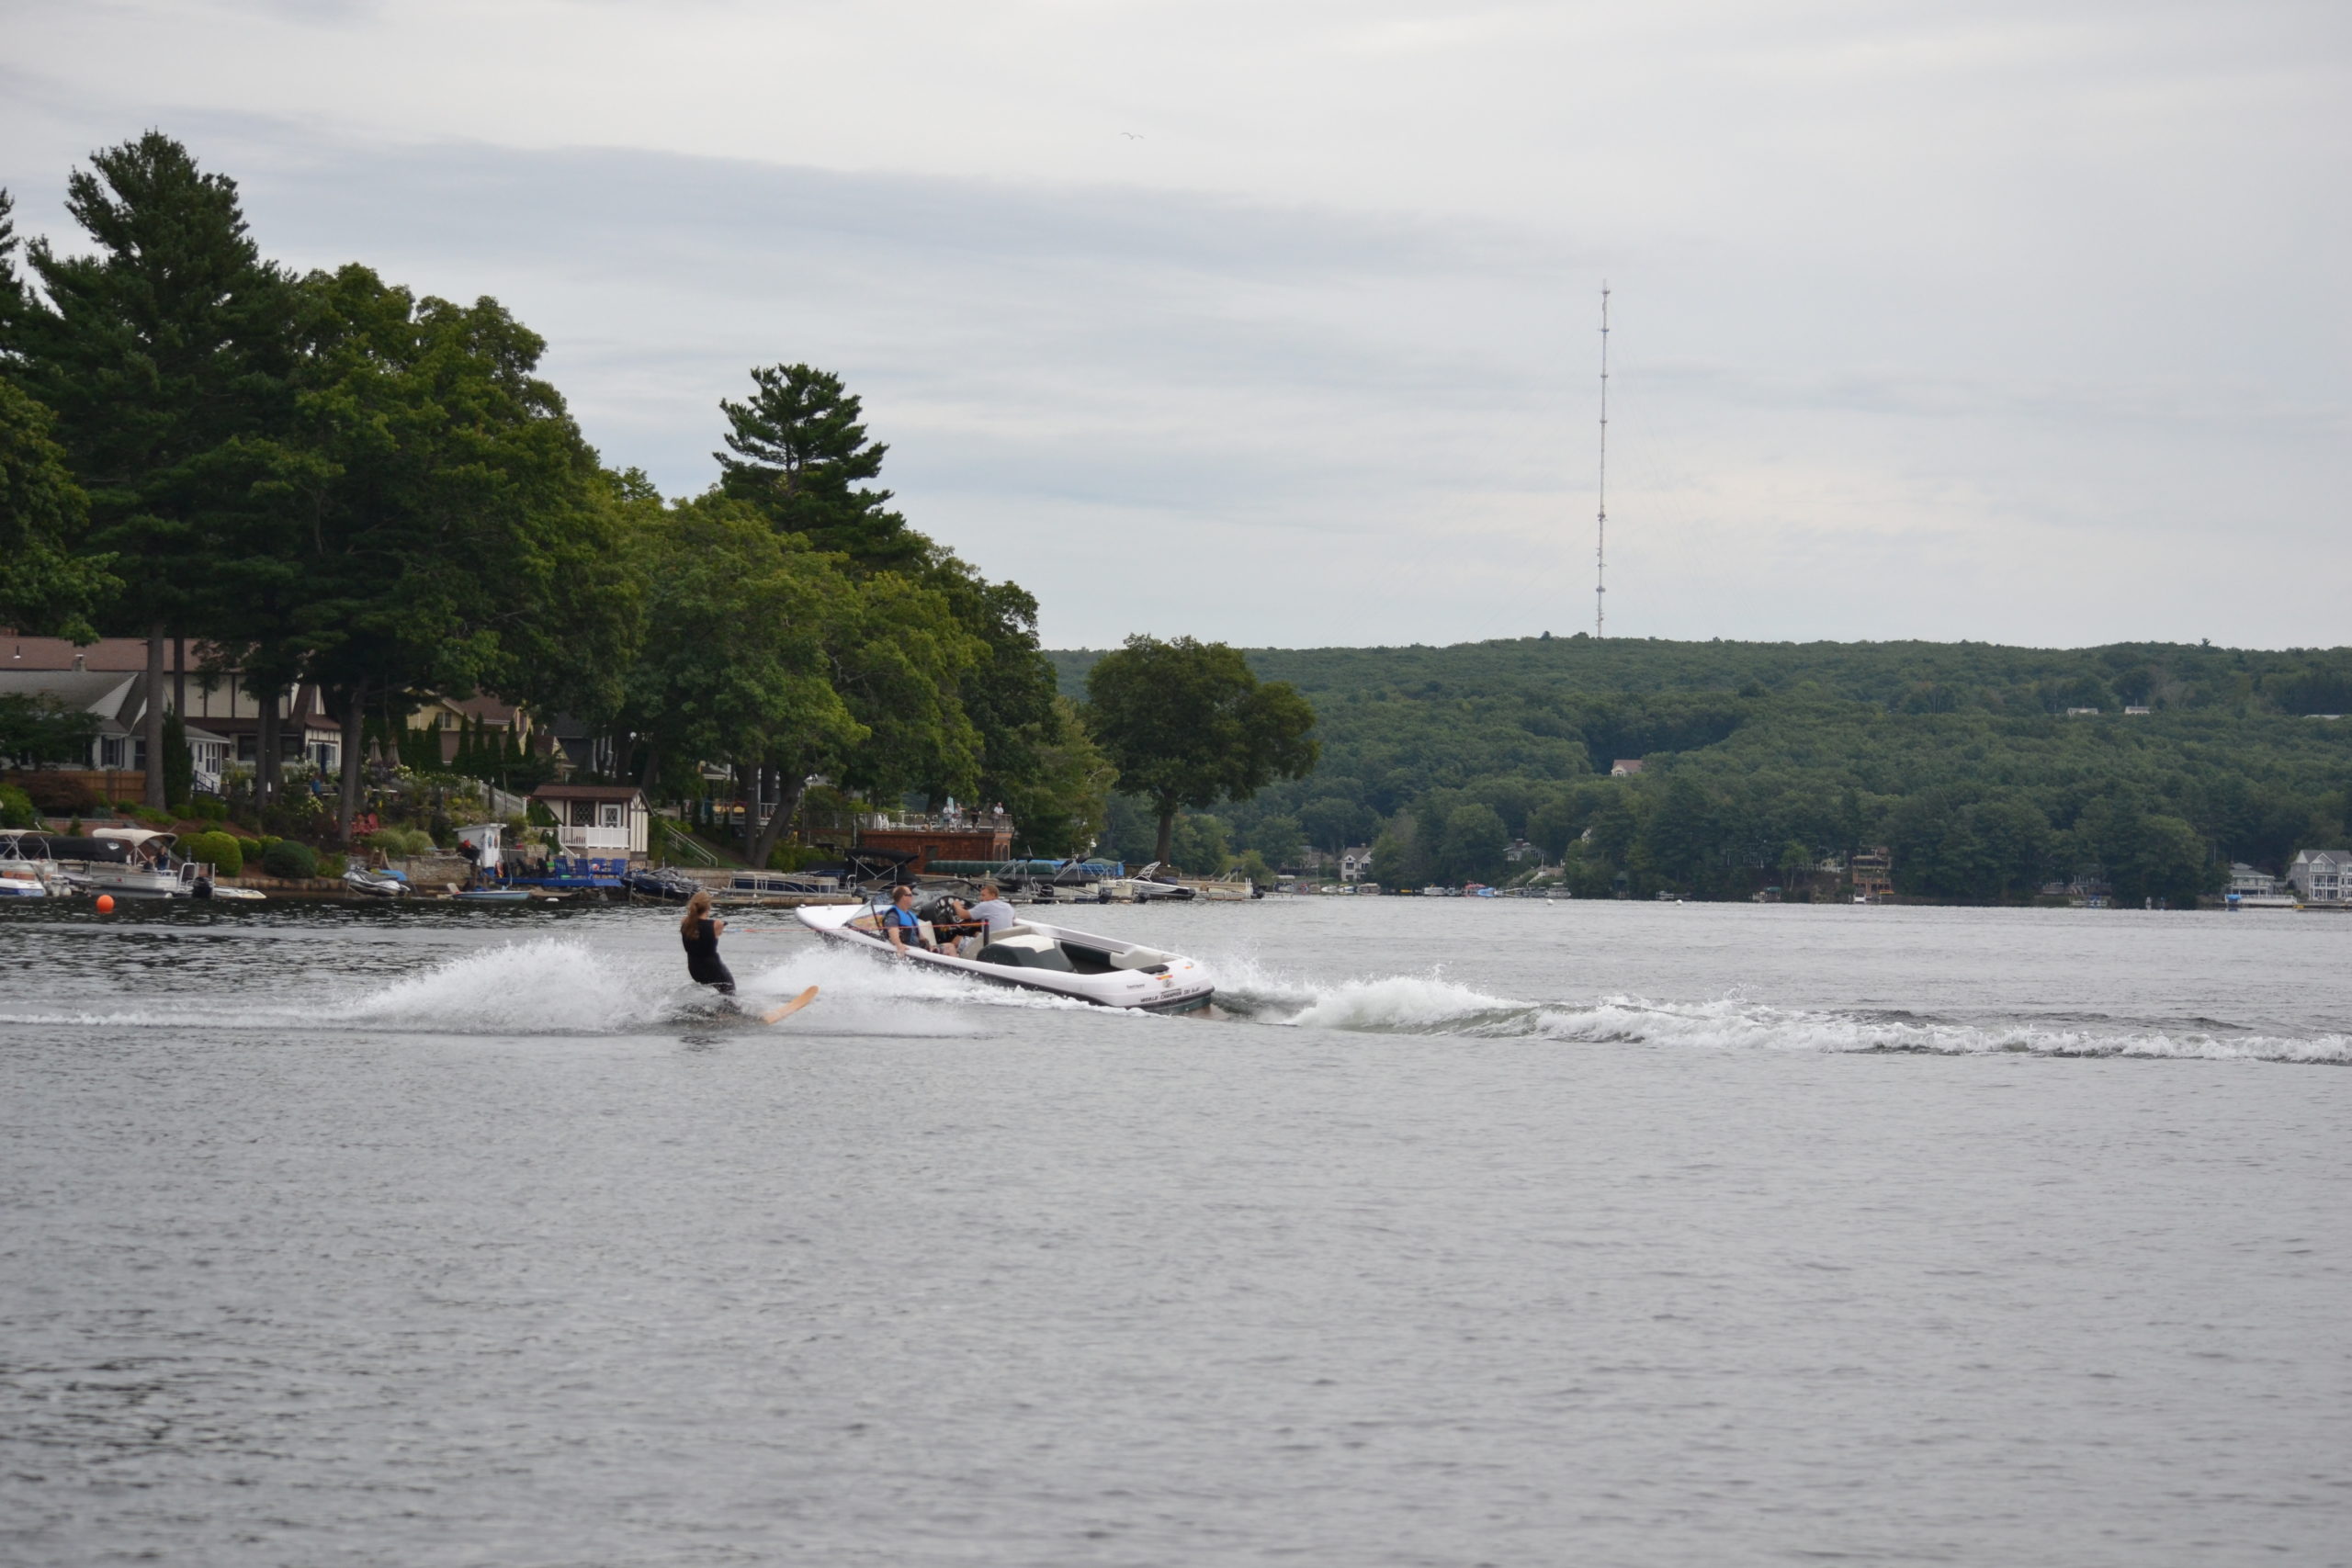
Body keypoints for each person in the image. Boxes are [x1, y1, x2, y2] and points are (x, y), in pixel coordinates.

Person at [680, 888, 736, 998]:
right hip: (713, 969)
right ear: (709, 907)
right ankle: (729, 1014)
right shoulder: (717, 924)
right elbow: (718, 926)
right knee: (730, 994)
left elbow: (698, 925)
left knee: (716, 995)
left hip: (695, 969)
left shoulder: (684, 922)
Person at [877, 884, 935, 955]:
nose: (912, 897)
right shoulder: (893, 915)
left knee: (948, 946)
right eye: (910, 895)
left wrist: (929, 946)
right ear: (903, 897)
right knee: (950, 948)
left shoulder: (911, 915)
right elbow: (892, 931)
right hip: (911, 951)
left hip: (919, 949)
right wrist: (899, 945)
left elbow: (921, 937)